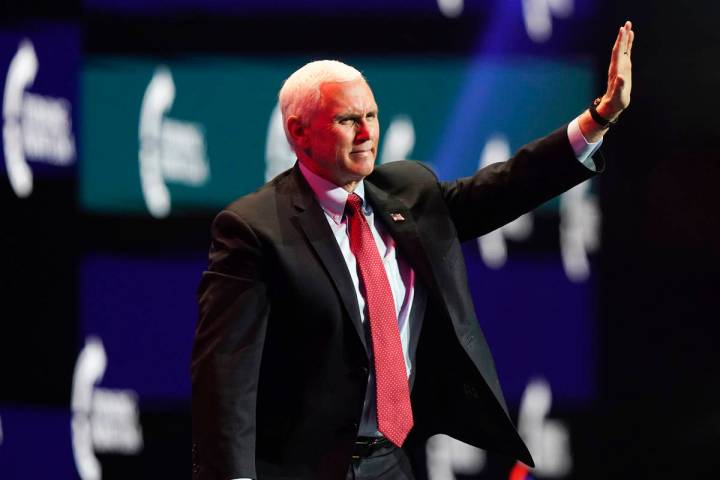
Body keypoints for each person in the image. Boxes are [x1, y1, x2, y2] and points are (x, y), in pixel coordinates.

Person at [191, 21, 635, 480]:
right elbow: (224, 376)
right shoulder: (254, 228)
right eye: (347, 120)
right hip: (298, 467)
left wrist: (599, 118)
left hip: (389, 461)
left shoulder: (408, 191)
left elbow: (506, 186)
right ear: (298, 133)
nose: (366, 133)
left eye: (371, 116)